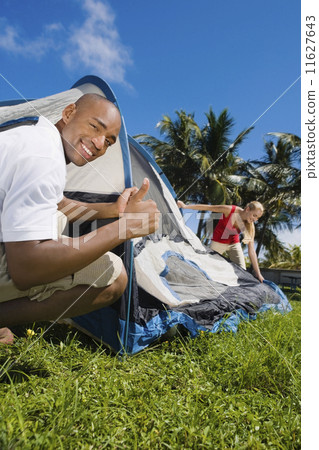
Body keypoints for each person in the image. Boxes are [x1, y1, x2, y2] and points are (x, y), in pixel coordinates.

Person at [0, 93, 160, 344]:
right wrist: (123, 229)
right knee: (113, 275)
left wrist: (115, 210)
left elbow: (60, 204)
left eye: (108, 141)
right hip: (23, 264)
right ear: (68, 113)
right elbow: (26, 269)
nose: (99, 144)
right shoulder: (42, 157)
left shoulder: (38, 138)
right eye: (95, 126)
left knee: (55, 218)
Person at [177, 200, 264, 283]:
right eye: (254, 215)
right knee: (207, 267)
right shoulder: (230, 210)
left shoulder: (250, 226)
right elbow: (209, 207)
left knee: (242, 271)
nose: (255, 219)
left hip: (234, 244)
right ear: (248, 209)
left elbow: (251, 250)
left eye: (257, 217)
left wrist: (258, 273)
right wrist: (185, 206)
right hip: (218, 242)